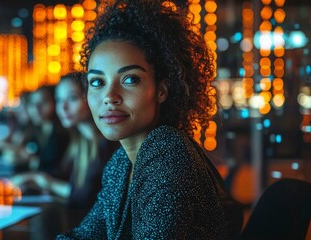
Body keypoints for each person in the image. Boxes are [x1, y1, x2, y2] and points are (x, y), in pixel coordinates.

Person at [56, 0, 243, 239]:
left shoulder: (168, 151)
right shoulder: (121, 162)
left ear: (162, 90)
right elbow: (84, 235)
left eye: (130, 79)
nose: (109, 97)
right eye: (97, 82)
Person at [13, 72, 117, 209]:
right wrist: (35, 179)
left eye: (72, 98)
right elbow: (64, 176)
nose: (63, 108)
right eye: (59, 100)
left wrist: (48, 183)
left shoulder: (108, 145)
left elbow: (88, 197)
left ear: (91, 97)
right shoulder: (80, 142)